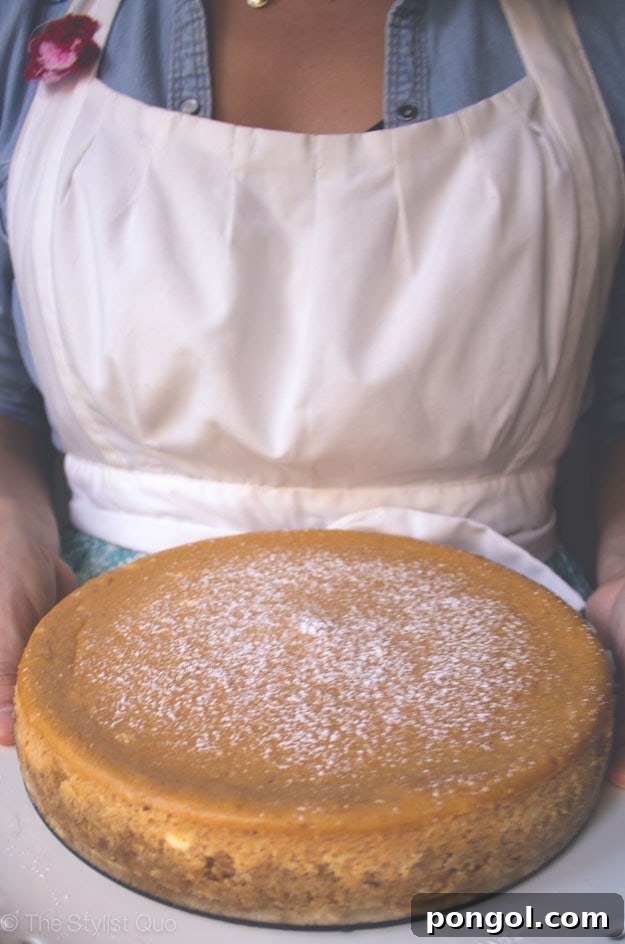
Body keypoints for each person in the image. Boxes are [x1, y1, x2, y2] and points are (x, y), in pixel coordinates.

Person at [0, 0, 624, 791]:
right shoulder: (24, 20)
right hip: (99, 654)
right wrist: (8, 526)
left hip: (504, 660)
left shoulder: (598, 28)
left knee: (499, 922)